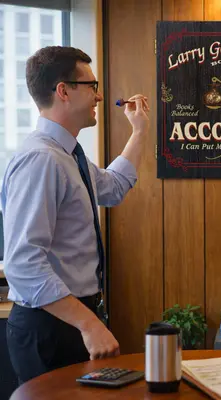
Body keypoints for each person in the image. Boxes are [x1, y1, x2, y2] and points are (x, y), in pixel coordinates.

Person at [1, 46, 149, 384]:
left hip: (70, 318)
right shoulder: (42, 160)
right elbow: (23, 264)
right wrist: (88, 324)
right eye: (92, 85)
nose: (99, 97)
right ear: (63, 91)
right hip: (50, 326)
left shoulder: (68, 154)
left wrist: (139, 132)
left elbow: (112, 187)